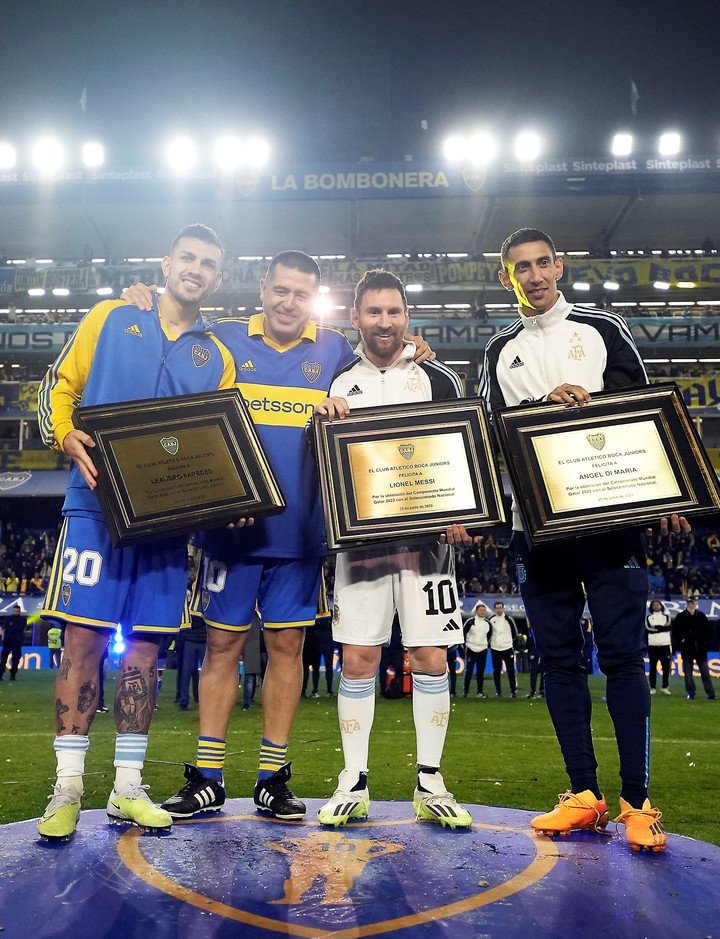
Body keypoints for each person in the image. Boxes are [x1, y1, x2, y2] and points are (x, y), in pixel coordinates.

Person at [122, 253, 434, 821]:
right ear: (262, 288)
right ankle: (209, 777)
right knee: (221, 647)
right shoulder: (221, 341)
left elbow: (385, 355)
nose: (289, 303)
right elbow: (177, 367)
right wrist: (142, 297)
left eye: (301, 294)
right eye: (280, 291)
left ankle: (272, 777)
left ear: (314, 299)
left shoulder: (335, 349)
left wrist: (418, 347)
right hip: (230, 532)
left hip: (302, 533)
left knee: (287, 647)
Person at [479, 227, 690, 852]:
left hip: (608, 524)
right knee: (560, 662)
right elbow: (486, 437)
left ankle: (637, 802)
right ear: (506, 277)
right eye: (522, 267)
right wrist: (542, 410)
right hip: (535, 529)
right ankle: (583, 793)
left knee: (624, 658)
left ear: (561, 266)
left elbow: (644, 412)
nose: (535, 274)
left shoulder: (602, 330)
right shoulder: (497, 352)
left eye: (544, 263)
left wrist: (592, 403)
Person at [35, 224, 236, 840]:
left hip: (166, 525)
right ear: (165, 262)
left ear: (218, 279)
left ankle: (127, 789)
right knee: (82, 642)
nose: (195, 269)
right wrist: (63, 435)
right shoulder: (111, 316)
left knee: (145, 651)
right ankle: (67, 788)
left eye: (208, 263)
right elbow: (58, 387)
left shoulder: (217, 356)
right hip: (95, 509)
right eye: (187, 258)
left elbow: (221, 446)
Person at [313, 268, 472, 829]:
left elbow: (461, 455)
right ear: (355, 317)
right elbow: (320, 463)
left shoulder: (439, 379)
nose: (385, 322)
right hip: (359, 548)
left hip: (428, 547)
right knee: (357, 658)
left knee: (429, 656)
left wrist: (461, 516)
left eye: (394, 312)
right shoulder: (334, 378)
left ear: (408, 316)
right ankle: (353, 780)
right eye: (374, 312)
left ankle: (430, 781)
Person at [672, 597, 717, 701]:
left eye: (692, 603)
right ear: (687, 604)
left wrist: (706, 642)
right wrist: (681, 640)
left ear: (695, 604)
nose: (691, 605)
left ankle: (710, 693)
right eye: (689, 603)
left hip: (700, 648)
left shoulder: (701, 616)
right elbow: (675, 631)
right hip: (687, 648)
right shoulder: (681, 616)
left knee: (705, 673)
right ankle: (691, 693)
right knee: (688, 674)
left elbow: (708, 630)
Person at [488, 600, 518, 697]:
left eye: (500, 608)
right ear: (494, 609)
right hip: (495, 648)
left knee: (511, 670)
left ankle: (513, 691)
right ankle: (498, 691)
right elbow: (488, 633)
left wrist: (510, 644)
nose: (499, 609)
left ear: (503, 608)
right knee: (496, 671)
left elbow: (515, 634)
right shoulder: (491, 619)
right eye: (497, 608)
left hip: (507, 648)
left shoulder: (509, 619)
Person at [463, 600, 490, 697]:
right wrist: (465, 646)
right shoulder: (470, 621)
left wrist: (485, 645)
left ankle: (480, 692)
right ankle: (466, 691)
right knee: (469, 671)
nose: (482, 612)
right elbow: (463, 633)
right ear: (476, 611)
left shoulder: (487, 623)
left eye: (484, 610)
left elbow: (489, 636)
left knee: (480, 672)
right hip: (471, 649)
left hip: (483, 650)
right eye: (480, 610)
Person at [646, 600, 673, 695]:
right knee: (653, 667)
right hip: (653, 645)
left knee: (666, 668)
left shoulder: (666, 617)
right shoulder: (649, 617)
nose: (656, 606)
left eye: (658, 604)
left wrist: (657, 627)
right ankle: (652, 687)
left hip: (665, 644)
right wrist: (662, 628)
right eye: (654, 605)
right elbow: (649, 629)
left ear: (661, 606)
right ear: (652, 607)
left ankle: (665, 687)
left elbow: (669, 628)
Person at [0, 604, 26, 681]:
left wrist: (12, 626)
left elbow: (20, 628)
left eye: (17, 611)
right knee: (3, 659)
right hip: (8, 641)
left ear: (20, 611)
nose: (16, 612)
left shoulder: (23, 619)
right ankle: (1, 674)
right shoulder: (8, 618)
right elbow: (6, 627)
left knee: (16, 659)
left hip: (17, 642)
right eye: (15, 611)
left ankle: (13, 675)